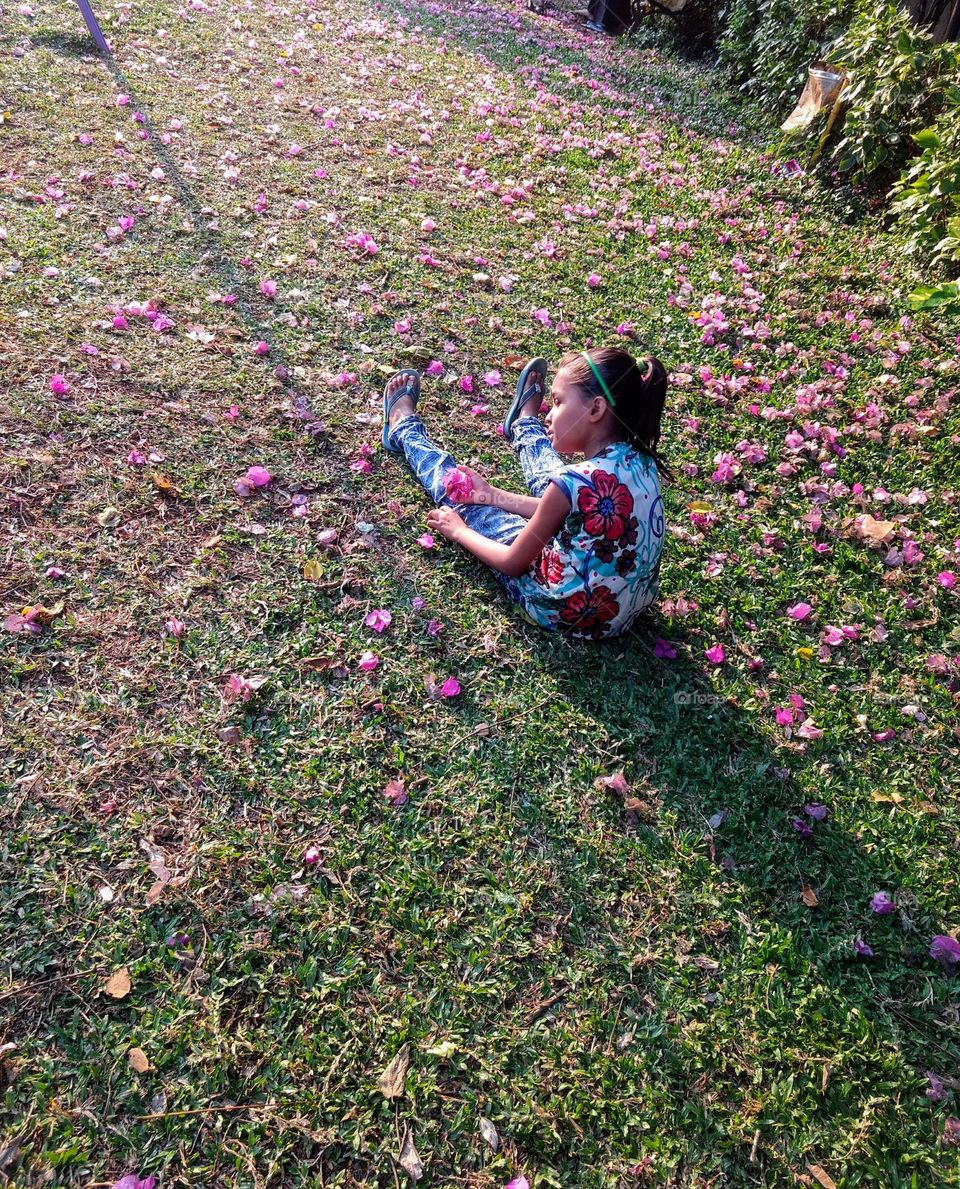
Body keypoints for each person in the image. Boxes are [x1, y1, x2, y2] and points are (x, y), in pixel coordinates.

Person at [382, 348, 670, 640]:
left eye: (558, 402)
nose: (552, 412)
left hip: (562, 611)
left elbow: (512, 562)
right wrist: (492, 494)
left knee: (461, 495)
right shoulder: (640, 461)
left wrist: (458, 531)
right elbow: (561, 510)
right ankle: (524, 422)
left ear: (596, 409)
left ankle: (404, 429)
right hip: (620, 613)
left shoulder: (571, 483)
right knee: (553, 485)